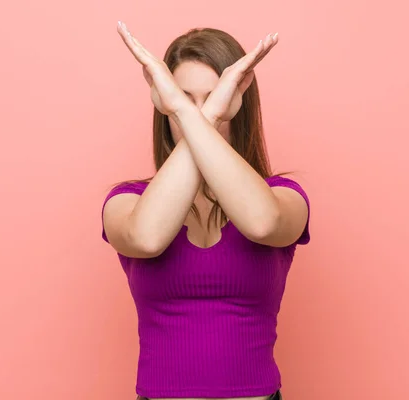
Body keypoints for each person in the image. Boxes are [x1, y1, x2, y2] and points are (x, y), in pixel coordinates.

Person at [101, 21, 311, 400]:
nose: (196, 114)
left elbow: (263, 225)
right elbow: (146, 238)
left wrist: (192, 114)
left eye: (214, 99)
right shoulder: (127, 202)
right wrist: (208, 114)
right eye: (182, 100)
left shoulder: (283, 196)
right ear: (163, 107)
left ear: (239, 104)